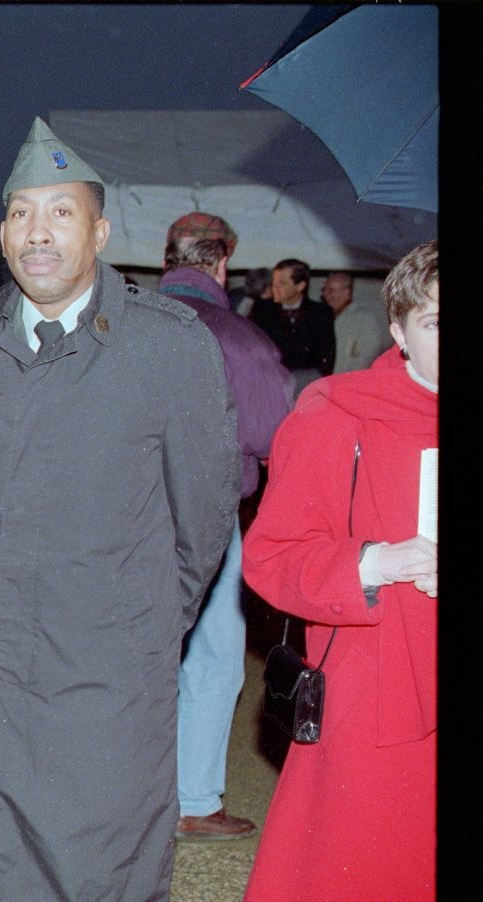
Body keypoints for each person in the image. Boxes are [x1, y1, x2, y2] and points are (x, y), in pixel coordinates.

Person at [0, 118, 239, 902]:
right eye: (22, 214)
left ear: (99, 231)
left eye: (60, 214)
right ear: (1, 234)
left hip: (111, 672)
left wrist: (142, 620)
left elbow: (205, 515)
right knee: (6, 896)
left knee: (105, 898)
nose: (38, 232)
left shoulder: (167, 346)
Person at [236, 240, 437, 902]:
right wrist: (376, 562)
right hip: (377, 682)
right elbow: (272, 556)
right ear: (399, 328)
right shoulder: (337, 413)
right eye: (438, 323)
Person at [158, 213, 294, 841]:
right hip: (207, 517)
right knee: (212, 656)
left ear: (168, 261)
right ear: (221, 265)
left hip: (115, 514)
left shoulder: (122, 324)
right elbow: (274, 439)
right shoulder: (243, 340)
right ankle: (193, 801)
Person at [249, 258, 336, 394]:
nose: (274, 288)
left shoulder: (321, 313)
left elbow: (326, 357)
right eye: (274, 282)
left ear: (300, 285)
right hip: (270, 384)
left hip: (305, 386)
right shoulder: (261, 309)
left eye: (281, 283)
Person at [324, 270, 391, 373]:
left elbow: (367, 357)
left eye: (331, 290)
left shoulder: (364, 319)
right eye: (324, 290)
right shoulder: (324, 316)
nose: (326, 294)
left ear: (347, 292)